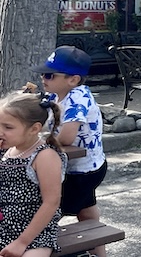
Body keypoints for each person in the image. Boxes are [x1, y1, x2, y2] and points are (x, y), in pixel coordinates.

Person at [40, 47, 107, 257]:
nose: (43, 78)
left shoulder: (78, 97)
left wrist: (37, 144)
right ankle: (99, 254)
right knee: (86, 212)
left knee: (43, 216)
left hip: (81, 171)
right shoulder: (55, 94)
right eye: (43, 73)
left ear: (73, 79)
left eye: (50, 75)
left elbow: (67, 137)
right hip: (78, 166)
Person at [0, 90, 66, 257]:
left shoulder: (44, 156)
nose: (1, 132)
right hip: (3, 225)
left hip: (34, 232)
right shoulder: (6, 150)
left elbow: (51, 202)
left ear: (34, 128)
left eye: (8, 127)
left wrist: (22, 242)